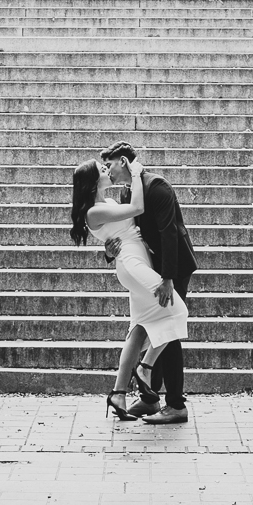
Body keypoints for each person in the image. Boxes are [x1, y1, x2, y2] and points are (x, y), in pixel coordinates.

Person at [68, 155, 189, 422]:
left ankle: (118, 393)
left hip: (137, 259)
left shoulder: (108, 203)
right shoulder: (93, 211)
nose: (106, 169)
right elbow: (137, 208)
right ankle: (145, 368)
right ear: (93, 182)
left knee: (140, 327)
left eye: (106, 165)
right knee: (178, 312)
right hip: (133, 264)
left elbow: (119, 230)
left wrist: (108, 249)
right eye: (101, 168)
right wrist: (135, 172)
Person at [102, 142, 197, 423]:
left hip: (174, 268)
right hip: (151, 266)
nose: (107, 171)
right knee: (154, 325)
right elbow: (128, 232)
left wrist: (167, 278)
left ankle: (176, 405)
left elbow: (169, 233)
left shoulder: (157, 186)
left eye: (109, 165)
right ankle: (150, 399)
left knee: (168, 328)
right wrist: (109, 252)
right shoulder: (128, 191)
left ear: (123, 161)